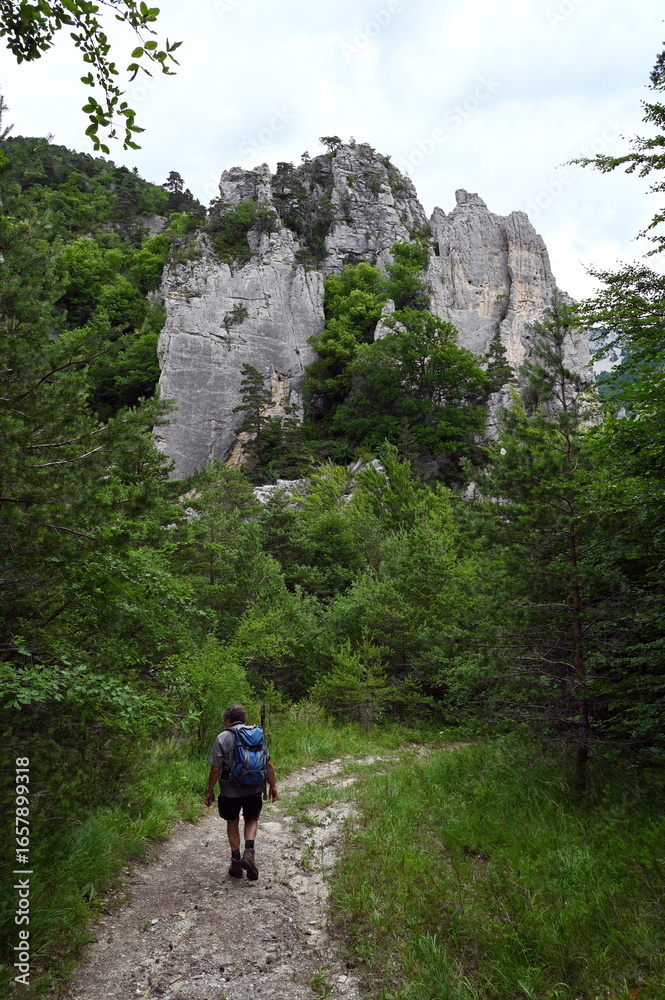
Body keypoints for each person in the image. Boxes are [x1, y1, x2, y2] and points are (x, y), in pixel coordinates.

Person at [205, 704, 278, 880]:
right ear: (243, 719)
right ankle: (250, 852)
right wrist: (273, 786)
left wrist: (209, 791)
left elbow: (215, 769)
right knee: (252, 818)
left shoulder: (223, 737)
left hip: (230, 791)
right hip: (254, 787)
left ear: (228, 720)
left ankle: (236, 862)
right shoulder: (257, 734)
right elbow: (268, 764)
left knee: (232, 820)